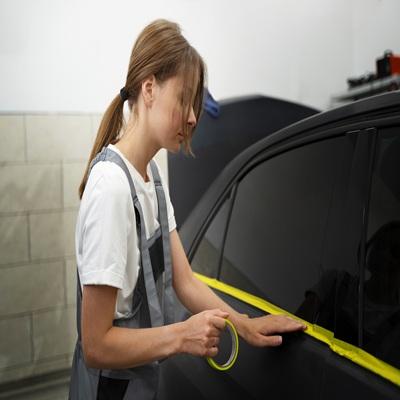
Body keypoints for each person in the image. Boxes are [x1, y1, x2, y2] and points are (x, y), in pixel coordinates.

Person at [68, 18, 307, 400]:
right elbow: (96, 346)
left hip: (139, 385)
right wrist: (182, 335)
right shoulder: (111, 189)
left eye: (196, 103)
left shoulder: (152, 178)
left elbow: (185, 281)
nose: (194, 117)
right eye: (185, 99)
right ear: (149, 88)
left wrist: (245, 326)